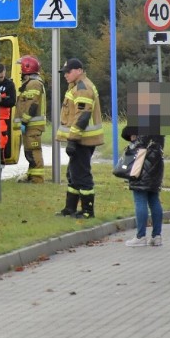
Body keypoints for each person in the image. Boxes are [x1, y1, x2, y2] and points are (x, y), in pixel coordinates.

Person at [55, 58, 104, 218]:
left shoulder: (82, 88)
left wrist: (72, 140)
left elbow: (82, 117)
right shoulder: (76, 87)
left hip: (83, 140)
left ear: (78, 70)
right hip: (80, 139)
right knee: (73, 174)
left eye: (68, 72)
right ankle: (70, 209)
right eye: (64, 73)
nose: (65, 75)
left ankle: (87, 212)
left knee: (82, 175)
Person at [121, 126, 165, 247]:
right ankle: (157, 236)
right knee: (154, 199)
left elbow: (127, 134)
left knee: (140, 198)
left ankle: (140, 236)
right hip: (156, 162)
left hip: (140, 163)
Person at [14, 55, 47, 183]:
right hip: (30, 125)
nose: (20, 72)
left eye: (21, 69)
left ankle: (37, 179)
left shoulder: (33, 84)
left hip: (32, 125)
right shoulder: (30, 83)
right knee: (29, 152)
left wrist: (24, 121)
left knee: (34, 151)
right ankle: (31, 175)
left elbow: (32, 104)